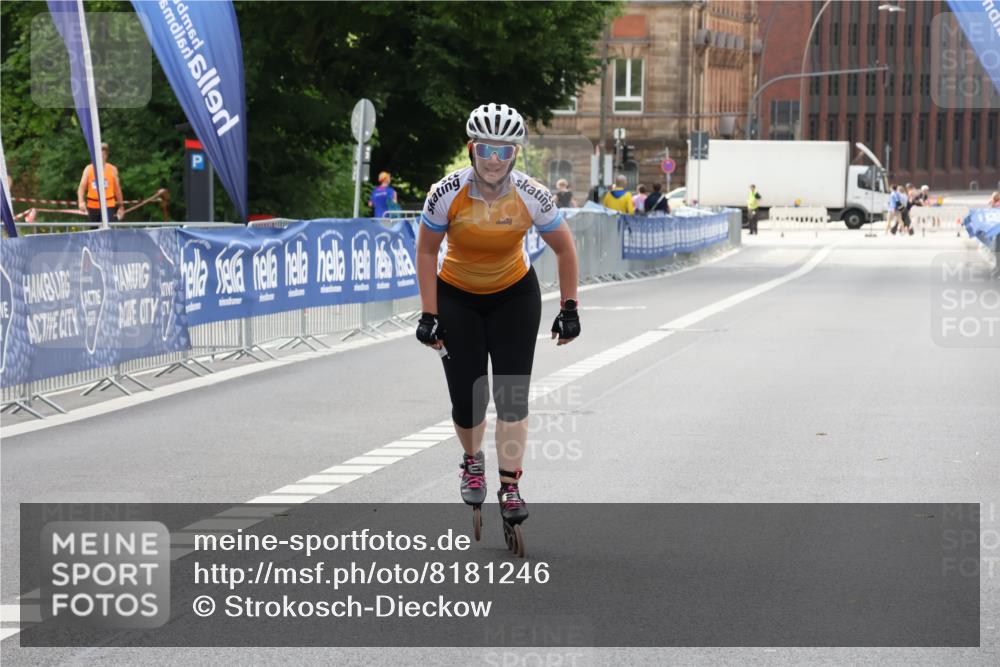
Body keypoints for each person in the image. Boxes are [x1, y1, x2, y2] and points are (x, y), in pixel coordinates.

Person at [415, 103, 580, 552]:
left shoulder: (532, 193)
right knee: (469, 400)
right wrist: (429, 314)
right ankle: (472, 459)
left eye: (503, 150)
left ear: (515, 153)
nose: (493, 158)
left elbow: (565, 250)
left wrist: (570, 307)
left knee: (511, 396)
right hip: (457, 295)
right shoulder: (446, 192)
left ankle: (510, 485)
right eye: (485, 148)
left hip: (513, 294)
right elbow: (427, 251)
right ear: (472, 149)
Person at [77, 142, 124, 223]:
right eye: (98, 155)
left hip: (108, 205)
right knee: (93, 230)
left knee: (106, 228)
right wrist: (81, 201)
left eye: (103, 155)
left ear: (106, 156)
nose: (101, 158)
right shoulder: (89, 169)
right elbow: (81, 188)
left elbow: (117, 190)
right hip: (92, 205)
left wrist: (121, 206)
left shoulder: (112, 169)